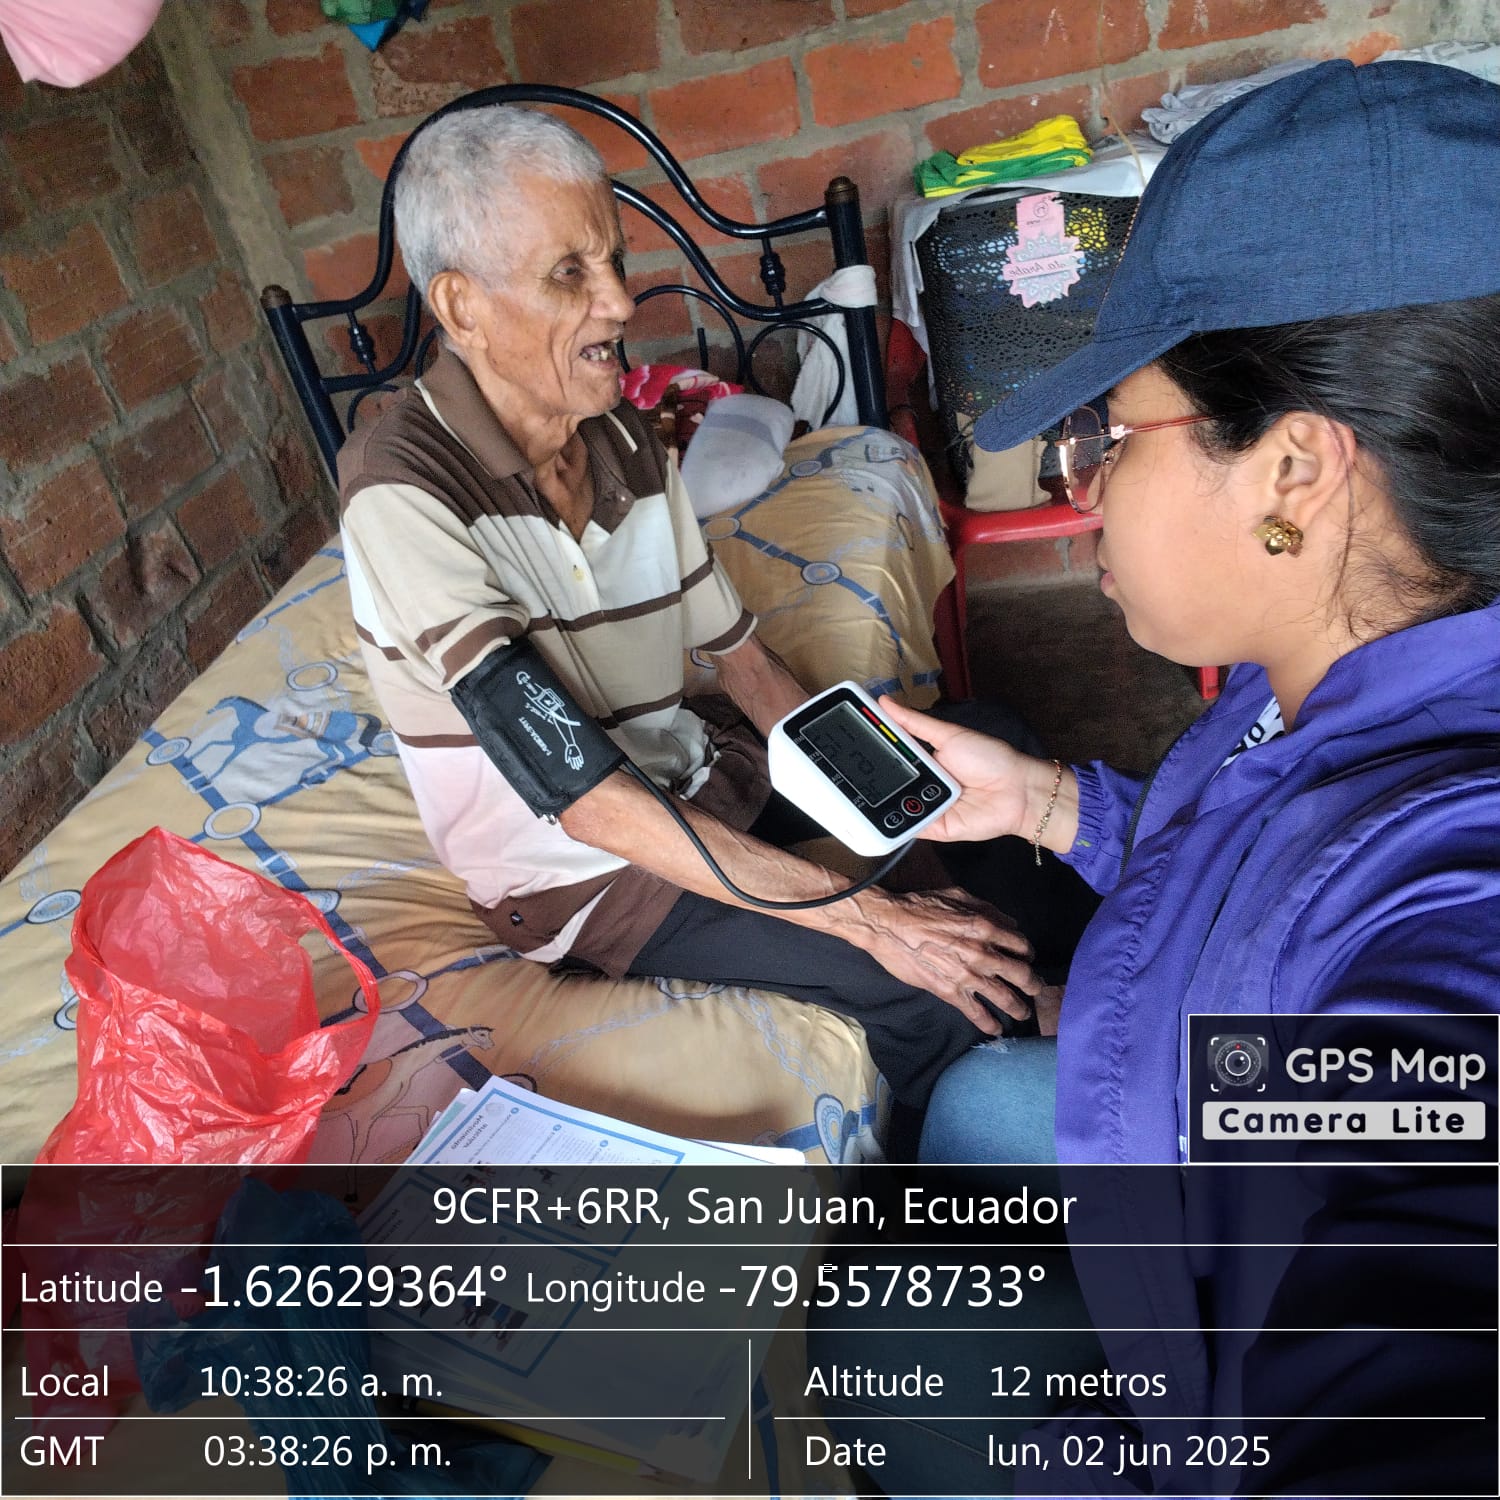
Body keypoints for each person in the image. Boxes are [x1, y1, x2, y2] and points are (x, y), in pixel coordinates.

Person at [806, 61, 1500, 1500]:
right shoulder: (1309, 682)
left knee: (872, 1335)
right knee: (970, 1121)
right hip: (1192, 1233)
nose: (1084, 491)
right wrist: (1053, 807)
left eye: (1110, 437)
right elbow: (1269, 864)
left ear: (1294, 475)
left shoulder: (1453, 882)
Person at [337, 104, 1080, 1116]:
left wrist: (890, 800)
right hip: (590, 870)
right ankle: (1012, 1145)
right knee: (927, 994)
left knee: (992, 760)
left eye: (612, 259)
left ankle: (1093, 1014)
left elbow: (747, 665)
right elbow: (584, 797)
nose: (617, 301)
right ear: (462, 307)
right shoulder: (402, 490)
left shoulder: (623, 441)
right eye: (569, 274)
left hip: (703, 770)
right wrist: (870, 917)